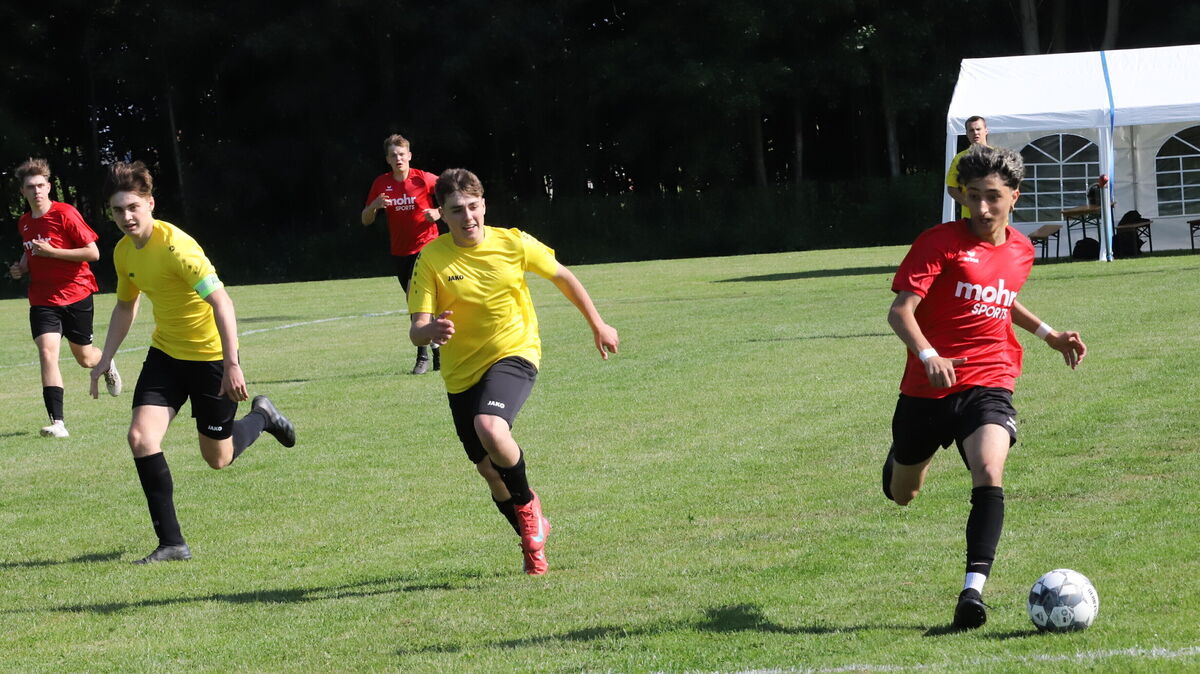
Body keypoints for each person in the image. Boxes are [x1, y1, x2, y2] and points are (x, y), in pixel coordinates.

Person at [882, 145, 1087, 630]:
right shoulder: (938, 242)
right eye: (972, 197)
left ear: (1014, 197)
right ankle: (900, 462)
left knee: (989, 470)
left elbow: (1005, 300)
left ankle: (972, 593)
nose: (981, 208)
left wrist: (1049, 335)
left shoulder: (1022, 248)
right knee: (903, 493)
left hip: (990, 378)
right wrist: (928, 355)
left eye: (992, 197)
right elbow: (900, 311)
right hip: (928, 386)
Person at [408, 168, 619, 575]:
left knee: (491, 427)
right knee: (490, 471)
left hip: (515, 351)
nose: (467, 217)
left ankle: (528, 514)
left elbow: (562, 276)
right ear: (442, 214)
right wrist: (429, 330)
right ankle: (533, 531)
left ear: (484, 204)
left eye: (473, 207)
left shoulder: (513, 243)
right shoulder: (431, 259)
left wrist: (598, 324)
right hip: (460, 373)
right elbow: (417, 330)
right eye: (456, 210)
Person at [89, 161, 297, 564]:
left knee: (217, 459)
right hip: (166, 356)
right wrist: (105, 358)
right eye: (117, 210)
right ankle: (172, 543)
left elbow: (222, 301)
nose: (126, 216)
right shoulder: (122, 252)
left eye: (133, 206)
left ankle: (263, 418)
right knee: (140, 438)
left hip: (210, 359)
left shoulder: (177, 248)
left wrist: (232, 364)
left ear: (150, 203)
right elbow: (125, 305)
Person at [9, 158, 121, 438]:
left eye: (41, 185)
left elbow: (92, 253)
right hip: (42, 299)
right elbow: (30, 251)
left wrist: (53, 253)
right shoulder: (24, 222)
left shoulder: (65, 214)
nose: (36, 191)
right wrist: (21, 266)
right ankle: (58, 422)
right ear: (22, 192)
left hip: (77, 294)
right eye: (30, 187)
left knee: (85, 358)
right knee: (47, 353)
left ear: (49, 187)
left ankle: (105, 361)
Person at [361, 134, 443, 374]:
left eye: (402, 154)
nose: (398, 158)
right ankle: (438, 353)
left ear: (409, 156)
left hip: (427, 248)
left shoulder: (424, 179)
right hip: (400, 252)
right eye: (393, 155)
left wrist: (439, 212)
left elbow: (455, 197)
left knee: (416, 299)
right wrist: (374, 206)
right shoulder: (381, 184)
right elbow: (365, 219)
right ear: (388, 159)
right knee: (419, 302)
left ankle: (422, 357)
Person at [946, 116, 990, 219]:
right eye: (971, 130)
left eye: (978, 129)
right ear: (967, 134)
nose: (975, 133)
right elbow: (952, 188)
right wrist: (969, 204)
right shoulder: (959, 159)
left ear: (986, 131)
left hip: (995, 218)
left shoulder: (998, 156)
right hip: (970, 218)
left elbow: (1009, 184)